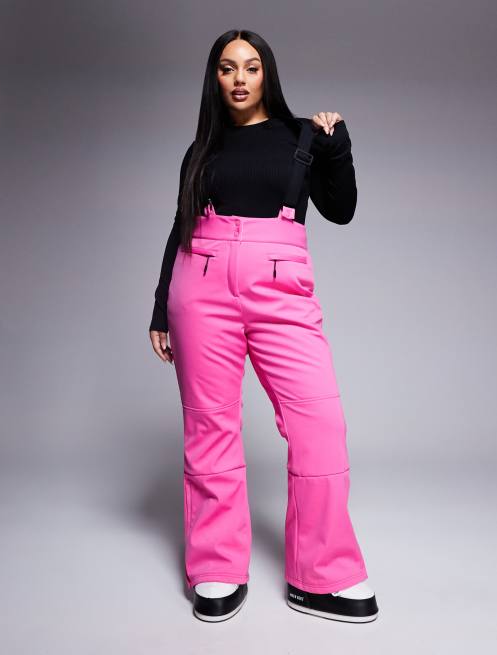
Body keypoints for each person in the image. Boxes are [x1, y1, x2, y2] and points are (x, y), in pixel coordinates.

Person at [149, 29, 379, 624]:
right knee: (211, 425)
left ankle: (322, 574)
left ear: (266, 73)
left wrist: (338, 146)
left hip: (281, 288)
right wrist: (159, 309)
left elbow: (342, 210)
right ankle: (218, 565)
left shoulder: (303, 136)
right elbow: (180, 227)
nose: (240, 78)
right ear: (215, 78)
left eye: (251, 67)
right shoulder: (201, 149)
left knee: (319, 421)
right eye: (227, 68)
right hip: (199, 287)